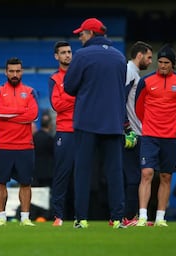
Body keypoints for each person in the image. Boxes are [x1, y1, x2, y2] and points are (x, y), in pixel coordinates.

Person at [63, 18, 127, 229]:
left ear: (90, 33)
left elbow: (69, 87)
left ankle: (81, 219)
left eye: (81, 33)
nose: (79, 37)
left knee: (82, 170)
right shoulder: (119, 56)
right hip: (113, 122)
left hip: (87, 121)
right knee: (115, 172)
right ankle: (117, 218)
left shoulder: (81, 55)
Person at [135, 44, 176, 227]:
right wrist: (151, 124)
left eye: (166, 63)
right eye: (160, 62)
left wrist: (171, 124)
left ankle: (160, 218)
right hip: (150, 135)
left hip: (170, 137)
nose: (162, 65)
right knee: (146, 173)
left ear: (172, 64)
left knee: (166, 177)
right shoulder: (147, 81)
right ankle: (142, 216)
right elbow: (139, 108)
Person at [0, 57, 39, 226]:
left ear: (22, 72)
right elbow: (0, 112)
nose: (15, 74)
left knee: (26, 183)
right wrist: (22, 113)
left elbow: (33, 115)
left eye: (18, 71)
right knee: (1, 182)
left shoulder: (31, 91)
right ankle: (1, 217)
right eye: (11, 71)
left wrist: (12, 115)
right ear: (6, 72)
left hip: (25, 146)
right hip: (3, 145)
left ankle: (25, 218)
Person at [121, 41, 153, 226]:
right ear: (139, 55)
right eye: (148, 57)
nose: (150, 61)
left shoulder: (133, 73)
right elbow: (120, 99)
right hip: (132, 133)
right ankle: (126, 217)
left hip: (136, 130)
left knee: (136, 175)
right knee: (134, 176)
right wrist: (127, 128)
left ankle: (125, 216)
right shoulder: (129, 72)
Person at [48, 40, 76, 226]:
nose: (67, 55)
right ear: (56, 56)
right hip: (65, 131)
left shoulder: (80, 75)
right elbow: (56, 105)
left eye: (69, 51)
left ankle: (79, 215)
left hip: (83, 130)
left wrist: (67, 95)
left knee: (82, 175)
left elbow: (88, 99)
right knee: (62, 174)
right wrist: (76, 97)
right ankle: (58, 216)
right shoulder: (54, 79)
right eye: (63, 52)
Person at [32, 112, 54, 188]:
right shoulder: (50, 139)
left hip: (35, 171)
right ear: (50, 125)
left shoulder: (34, 137)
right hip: (48, 172)